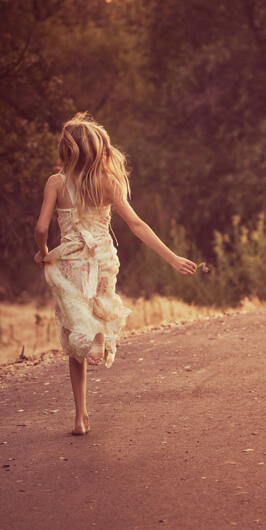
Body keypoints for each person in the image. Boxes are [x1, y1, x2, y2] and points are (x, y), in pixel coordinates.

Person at [33, 112, 196, 435]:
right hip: (103, 262)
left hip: (70, 262)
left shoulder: (56, 183)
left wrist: (42, 251)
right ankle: (98, 340)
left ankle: (80, 416)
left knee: (73, 324)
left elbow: (40, 227)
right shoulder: (109, 182)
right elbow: (136, 225)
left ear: (66, 150)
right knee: (100, 316)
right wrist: (172, 257)